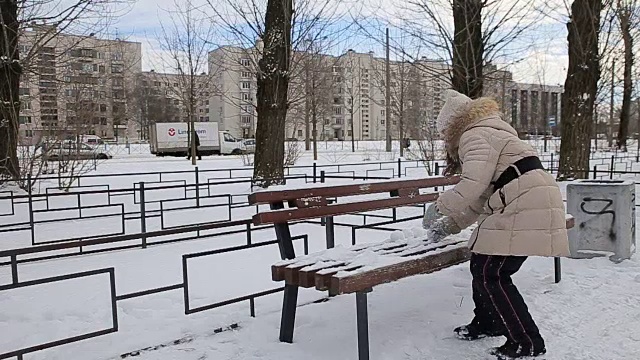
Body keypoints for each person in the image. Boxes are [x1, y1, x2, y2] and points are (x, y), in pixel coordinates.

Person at [422, 89, 569, 359]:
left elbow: (472, 185)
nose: (445, 142)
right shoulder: (491, 133)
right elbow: (480, 198)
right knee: (482, 263)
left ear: (452, 126)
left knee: (494, 273)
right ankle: (489, 322)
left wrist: (439, 207)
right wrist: (449, 225)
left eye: (444, 135)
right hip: (522, 197)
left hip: (524, 200)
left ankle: (527, 343)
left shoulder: (474, 135)